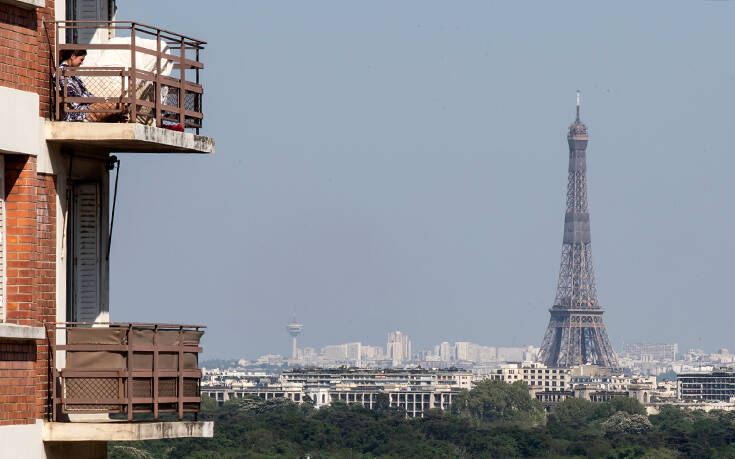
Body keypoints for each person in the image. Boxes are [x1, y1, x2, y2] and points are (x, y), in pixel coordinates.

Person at [56, 49, 93, 121]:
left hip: (84, 109)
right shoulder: (62, 73)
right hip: (76, 114)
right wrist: (94, 101)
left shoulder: (72, 74)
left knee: (115, 107)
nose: (82, 63)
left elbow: (85, 94)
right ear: (73, 56)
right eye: (81, 59)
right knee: (115, 106)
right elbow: (74, 99)